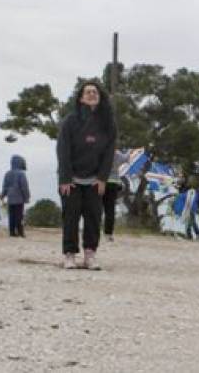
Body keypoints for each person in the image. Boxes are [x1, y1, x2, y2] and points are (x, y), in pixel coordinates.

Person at [57, 80, 117, 270]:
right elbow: (62, 150)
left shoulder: (108, 123)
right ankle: (70, 255)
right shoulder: (70, 121)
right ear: (81, 97)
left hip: (94, 180)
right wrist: (65, 178)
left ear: (100, 97)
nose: (91, 94)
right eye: (88, 92)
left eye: (95, 92)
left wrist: (102, 178)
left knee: (93, 218)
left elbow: (109, 153)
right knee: (71, 218)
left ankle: (90, 255)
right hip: (72, 179)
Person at [0, 154, 31, 238]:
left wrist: (2, 195)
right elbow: (24, 187)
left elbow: (5, 187)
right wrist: (27, 197)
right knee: (19, 216)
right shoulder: (21, 174)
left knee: (12, 216)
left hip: (10, 198)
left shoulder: (7, 174)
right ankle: (20, 232)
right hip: (19, 199)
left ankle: (12, 232)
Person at [101, 149, 126, 243]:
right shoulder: (118, 154)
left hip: (100, 181)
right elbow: (127, 158)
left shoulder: (100, 151)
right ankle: (108, 234)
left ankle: (93, 231)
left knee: (96, 209)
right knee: (110, 210)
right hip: (113, 183)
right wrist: (131, 152)